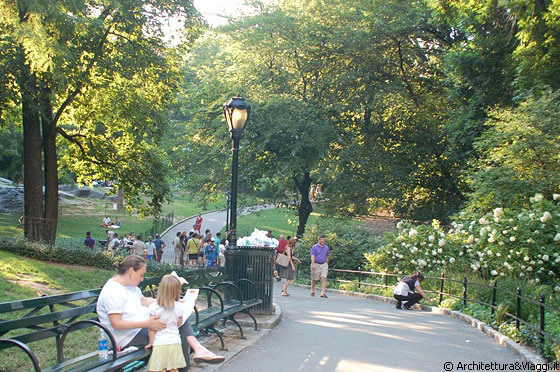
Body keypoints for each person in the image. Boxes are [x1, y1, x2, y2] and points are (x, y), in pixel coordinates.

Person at [96, 256, 225, 370]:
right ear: (131, 272)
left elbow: (145, 301)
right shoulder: (113, 292)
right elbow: (117, 324)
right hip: (128, 336)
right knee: (172, 333)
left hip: (143, 326)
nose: (142, 279)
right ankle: (191, 358)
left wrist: (170, 302)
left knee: (176, 322)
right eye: (141, 275)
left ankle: (198, 351)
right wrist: (148, 323)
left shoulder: (130, 286)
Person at [145, 274, 187, 372]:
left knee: (159, 369)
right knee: (173, 368)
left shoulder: (153, 307)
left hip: (160, 343)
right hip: (175, 342)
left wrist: (151, 342)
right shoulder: (179, 307)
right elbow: (179, 323)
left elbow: (151, 328)